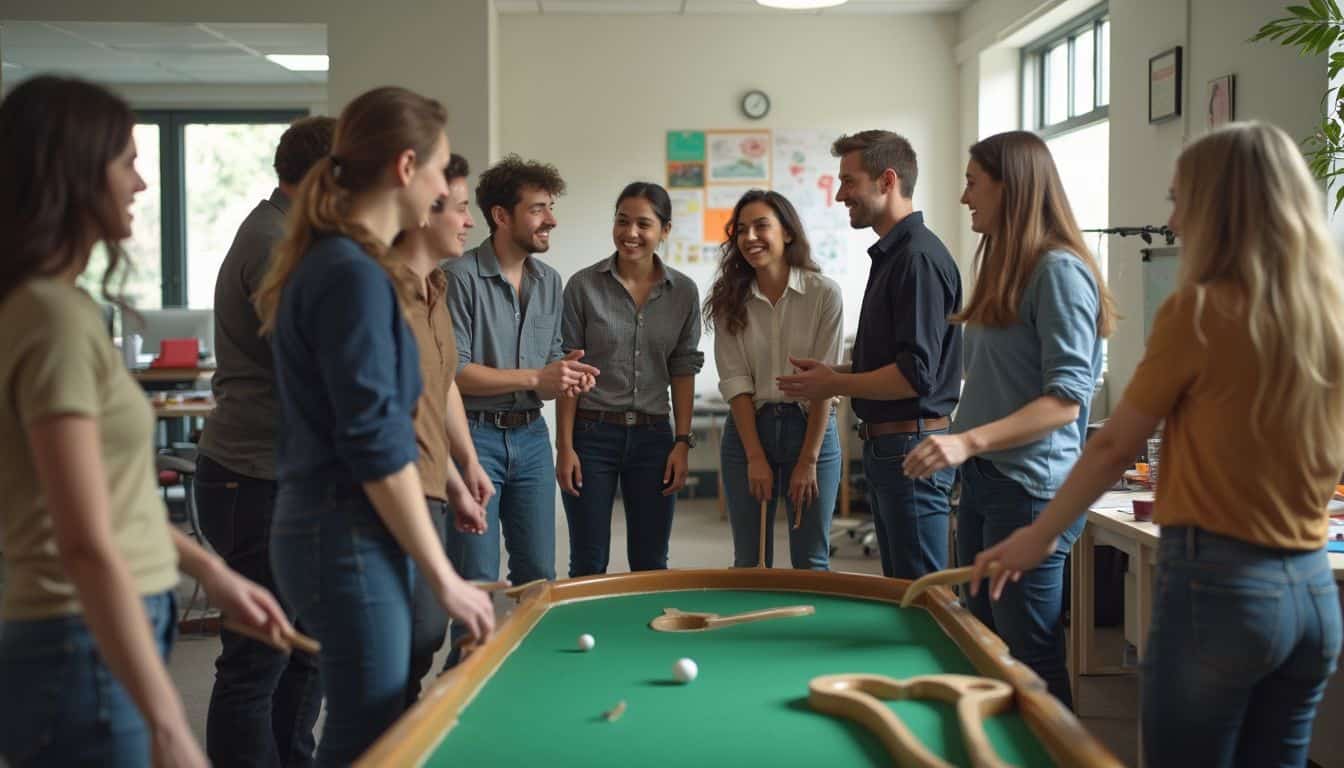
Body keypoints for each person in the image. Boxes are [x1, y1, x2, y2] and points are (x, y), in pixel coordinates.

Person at [968, 122, 1344, 766]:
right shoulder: (1327, 309)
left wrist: (1040, 534)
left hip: (1222, 588)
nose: (1171, 221)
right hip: (1312, 592)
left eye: (1179, 201)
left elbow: (1113, 444)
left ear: (1218, 208)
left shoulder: (1199, 310)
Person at [0, 75, 294, 768]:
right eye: (127, 161)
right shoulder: (51, 318)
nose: (139, 183)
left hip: (92, 628)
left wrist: (211, 574)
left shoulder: (50, 306)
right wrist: (168, 724)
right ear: (73, 173)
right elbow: (85, 540)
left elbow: (108, 499)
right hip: (82, 635)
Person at [253, 86, 495, 764]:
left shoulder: (351, 265)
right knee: (371, 734)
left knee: (382, 721)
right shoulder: (352, 274)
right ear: (405, 166)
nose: (445, 193)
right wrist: (444, 577)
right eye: (441, 171)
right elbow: (376, 449)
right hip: (342, 530)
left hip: (342, 525)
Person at [902, 130, 1116, 708]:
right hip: (988, 480)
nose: (965, 196)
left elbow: (1067, 400)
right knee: (986, 639)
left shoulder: (1059, 272)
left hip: (1030, 491)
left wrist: (965, 441)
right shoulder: (1007, 264)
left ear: (1010, 187)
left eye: (974, 183)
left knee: (1029, 651)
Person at [195, 115, 333, 768]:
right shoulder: (277, 243)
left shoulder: (291, 235)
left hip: (284, 475)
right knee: (257, 660)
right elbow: (313, 370)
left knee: (302, 650)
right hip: (253, 477)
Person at [777, 130, 962, 580]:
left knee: (922, 594)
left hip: (910, 445)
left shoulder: (916, 259)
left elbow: (914, 376)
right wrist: (833, 372)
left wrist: (834, 384)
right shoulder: (895, 255)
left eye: (848, 181)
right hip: (892, 445)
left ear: (887, 181)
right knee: (903, 590)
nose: (840, 194)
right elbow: (896, 362)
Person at [442, 155, 597, 663]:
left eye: (550, 208)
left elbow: (548, 368)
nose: (550, 219)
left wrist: (565, 373)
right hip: (474, 440)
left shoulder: (550, 281)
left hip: (530, 438)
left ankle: (532, 680)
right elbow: (454, 372)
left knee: (538, 580)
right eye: (537, 209)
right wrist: (538, 376)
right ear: (501, 216)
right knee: (478, 582)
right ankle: (460, 692)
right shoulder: (458, 278)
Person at [557, 182, 704, 576]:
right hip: (592, 437)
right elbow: (569, 371)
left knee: (651, 562)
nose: (631, 233)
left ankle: (649, 639)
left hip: (654, 439)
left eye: (644, 224)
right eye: (622, 221)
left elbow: (683, 369)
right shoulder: (582, 286)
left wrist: (682, 443)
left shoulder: (684, 293)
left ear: (665, 230)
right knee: (588, 561)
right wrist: (565, 447)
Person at [392, 153, 495, 702]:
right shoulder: (380, 292)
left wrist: (463, 469)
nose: (469, 221)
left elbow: (443, 385)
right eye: (459, 209)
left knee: (423, 637)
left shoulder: (437, 288)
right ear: (423, 213)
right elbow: (383, 431)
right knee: (397, 653)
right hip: (391, 493)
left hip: (432, 484)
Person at [707, 189, 843, 569]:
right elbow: (735, 382)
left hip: (811, 427)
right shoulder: (728, 299)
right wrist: (755, 457)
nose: (750, 237)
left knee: (812, 561)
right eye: (741, 230)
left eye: (761, 226)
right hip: (750, 428)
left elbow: (825, 382)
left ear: (787, 233)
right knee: (750, 562)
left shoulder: (824, 294)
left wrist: (809, 461)